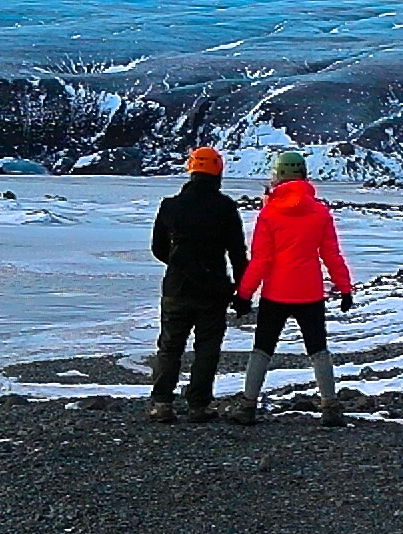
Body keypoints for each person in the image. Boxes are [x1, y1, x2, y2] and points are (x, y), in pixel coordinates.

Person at [230, 149, 354, 426]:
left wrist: (244, 294)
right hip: (310, 292)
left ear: (278, 176)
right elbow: (331, 255)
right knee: (318, 348)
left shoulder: (269, 214)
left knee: (262, 348)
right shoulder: (320, 212)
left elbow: (262, 260)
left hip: (276, 292)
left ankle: (247, 406)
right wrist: (345, 288)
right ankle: (330, 408)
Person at [146, 146, 248, 422]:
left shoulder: (170, 206)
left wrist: (181, 266)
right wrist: (243, 293)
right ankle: (199, 405)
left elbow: (157, 247)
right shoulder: (225, 207)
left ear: (191, 170)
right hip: (214, 289)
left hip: (177, 288)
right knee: (207, 348)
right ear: (217, 171)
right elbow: (238, 253)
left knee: (170, 345)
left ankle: (162, 403)